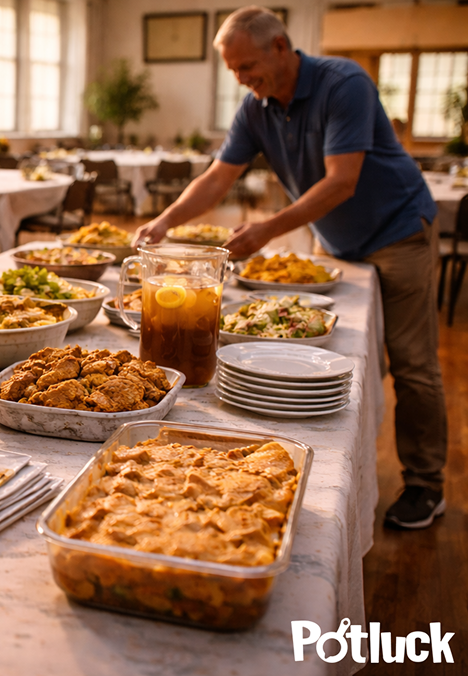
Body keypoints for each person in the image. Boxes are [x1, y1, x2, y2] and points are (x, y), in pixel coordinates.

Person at [134, 7, 446, 529]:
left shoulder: (344, 83)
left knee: (412, 362)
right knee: (368, 354)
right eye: (232, 70)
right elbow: (217, 179)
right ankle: (356, 469)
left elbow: (342, 181)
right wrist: (163, 222)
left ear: (281, 46)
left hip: (397, 232)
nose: (241, 78)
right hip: (339, 243)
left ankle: (425, 483)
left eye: (247, 65)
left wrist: (266, 230)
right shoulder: (255, 107)